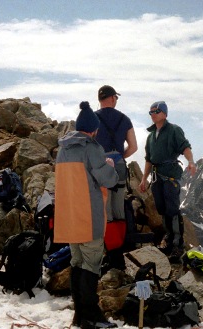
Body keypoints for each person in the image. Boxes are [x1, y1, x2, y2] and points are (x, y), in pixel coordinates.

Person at [54, 101, 119, 329]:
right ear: (94, 130)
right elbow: (108, 180)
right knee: (91, 266)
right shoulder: (92, 148)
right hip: (88, 218)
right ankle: (92, 317)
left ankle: (80, 315)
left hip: (70, 218)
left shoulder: (63, 149)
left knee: (77, 263)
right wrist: (109, 164)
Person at [138, 101, 196, 261]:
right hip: (157, 177)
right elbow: (149, 160)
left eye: (155, 111)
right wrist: (144, 179)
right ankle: (169, 240)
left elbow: (185, 147)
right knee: (162, 208)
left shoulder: (174, 130)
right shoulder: (150, 136)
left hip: (170, 175)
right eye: (150, 112)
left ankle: (177, 243)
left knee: (172, 208)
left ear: (164, 113)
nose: (152, 114)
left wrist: (191, 161)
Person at [94, 85, 137, 269]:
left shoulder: (93, 119)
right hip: (118, 165)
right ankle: (120, 252)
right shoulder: (124, 119)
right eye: (116, 98)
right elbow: (133, 147)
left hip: (100, 166)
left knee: (105, 210)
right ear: (112, 98)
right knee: (119, 206)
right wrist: (120, 157)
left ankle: (111, 253)